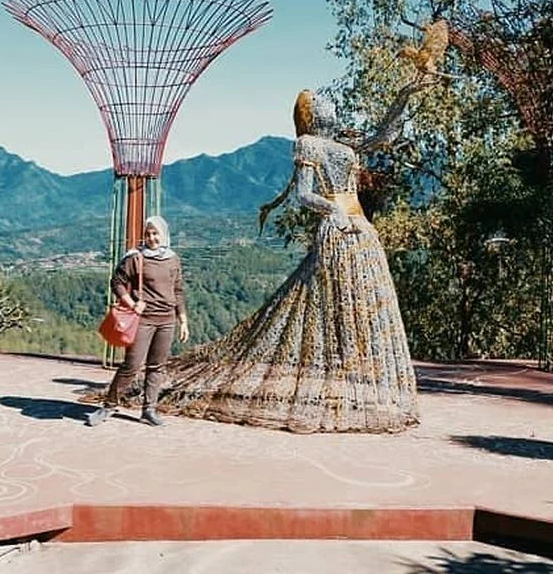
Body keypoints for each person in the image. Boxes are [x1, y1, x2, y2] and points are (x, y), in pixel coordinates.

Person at [160, 89, 421, 433]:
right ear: (311, 115)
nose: (329, 105)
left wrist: (406, 95)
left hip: (361, 231)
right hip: (339, 229)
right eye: (319, 102)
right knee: (320, 304)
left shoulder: (345, 146)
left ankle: (349, 380)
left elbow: (383, 137)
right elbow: (303, 195)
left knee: (369, 303)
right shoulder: (308, 144)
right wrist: (333, 210)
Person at [86, 215, 189, 427]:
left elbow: (178, 290)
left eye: (155, 233)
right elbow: (117, 282)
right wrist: (132, 304)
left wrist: (183, 320)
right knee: (131, 365)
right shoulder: (136, 258)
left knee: (157, 366)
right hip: (143, 319)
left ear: (164, 234)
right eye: (148, 234)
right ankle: (108, 406)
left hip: (167, 319)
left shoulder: (173, 259)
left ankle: (148, 410)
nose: (151, 238)